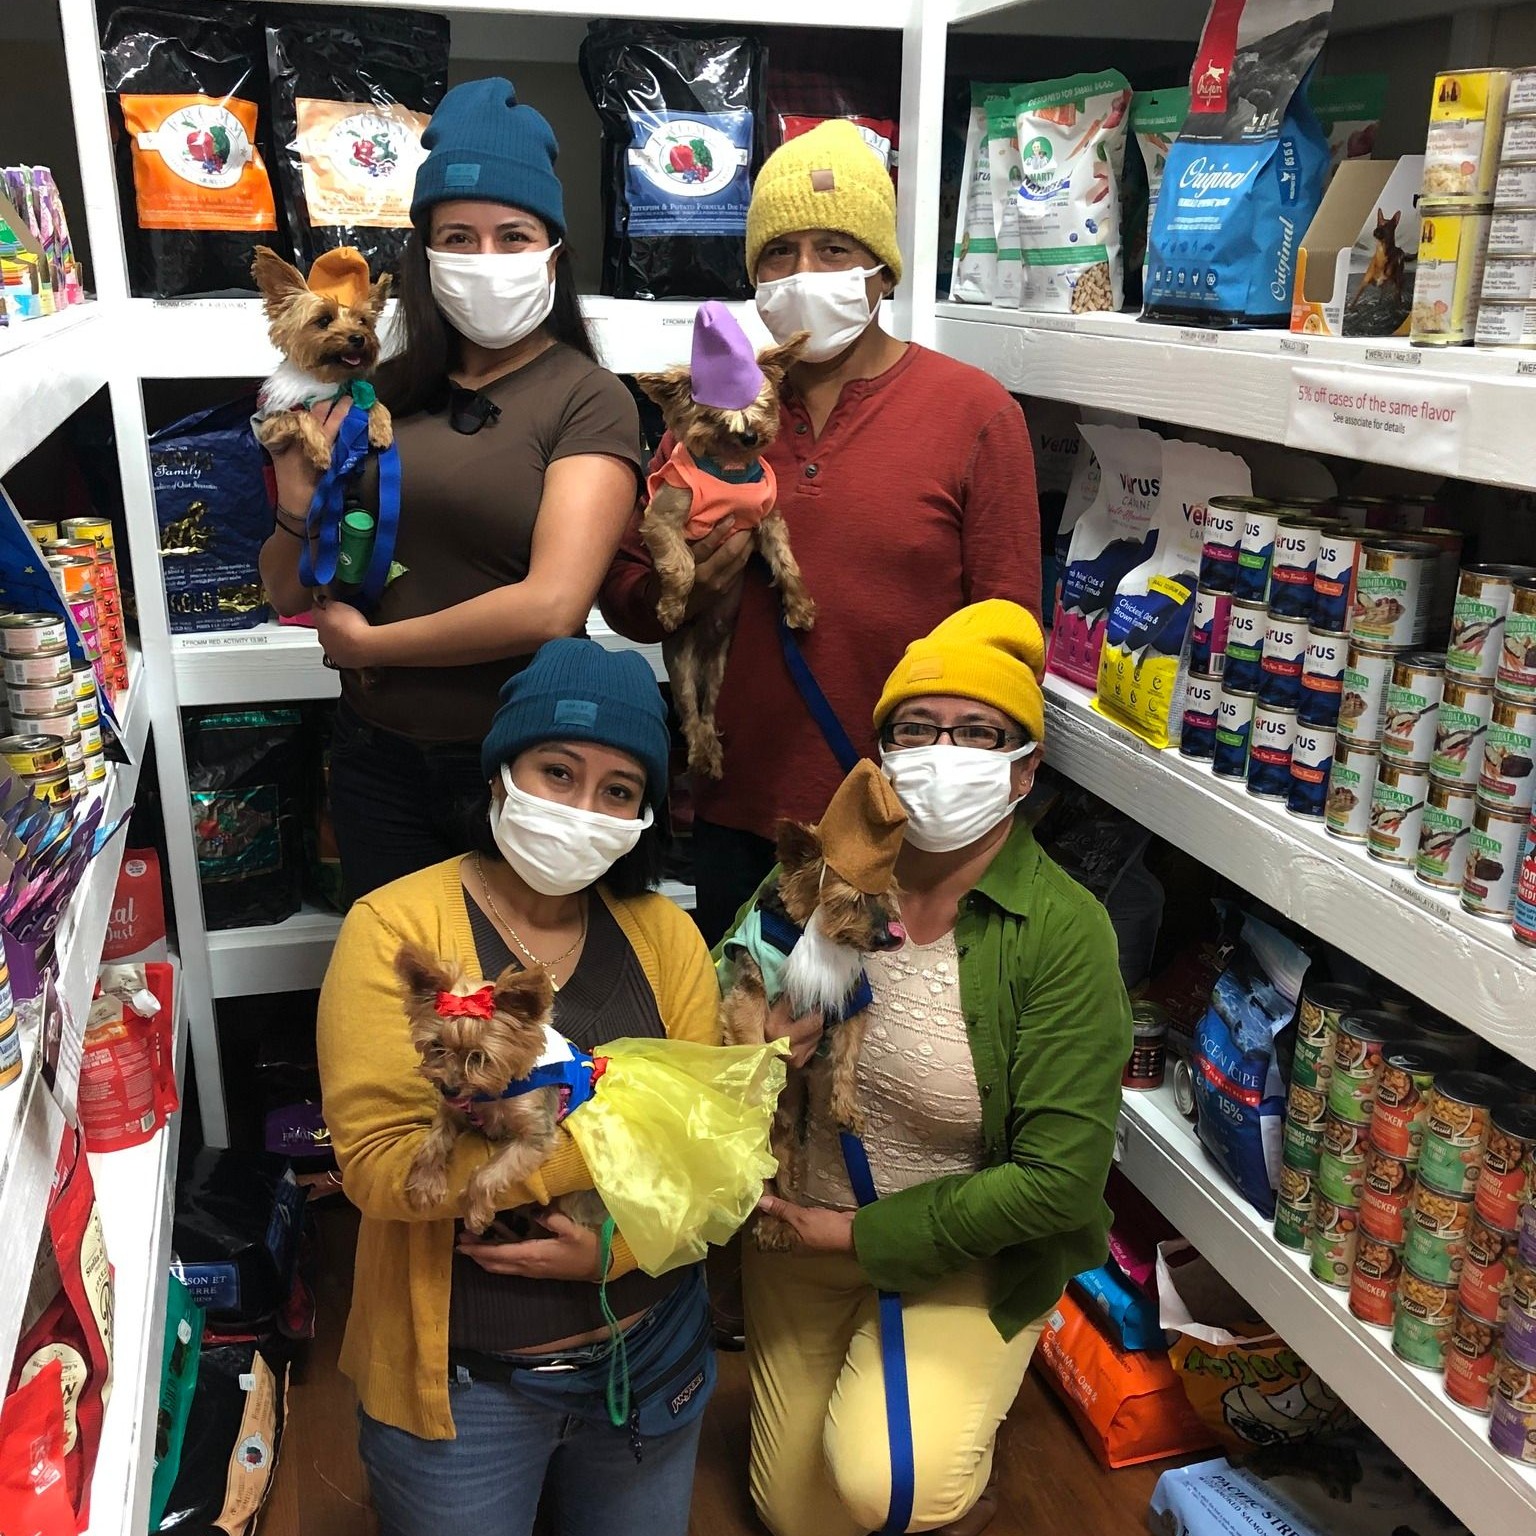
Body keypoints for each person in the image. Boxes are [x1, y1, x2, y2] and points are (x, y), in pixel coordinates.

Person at [600, 119, 1042, 946]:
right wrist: (690, 577)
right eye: (780, 253)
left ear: (881, 270)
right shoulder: (710, 415)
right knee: (750, 1057)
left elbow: (1010, 635)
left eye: (835, 248)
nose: (804, 275)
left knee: (883, 1065)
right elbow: (628, 599)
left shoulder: (975, 414)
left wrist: (971, 783)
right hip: (742, 815)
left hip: (905, 820)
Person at [742, 601, 1132, 1536]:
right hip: (802, 1226)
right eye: (917, 730)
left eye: (978, 734)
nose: (942, 752)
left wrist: (858, 1239)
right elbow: (732, 972)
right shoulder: (824, 871)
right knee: (795, 1516)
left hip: (965, 1252)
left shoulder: (1065, 930)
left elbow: (1059, 1184)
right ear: (882, 754)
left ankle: (964, 1433)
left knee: (890, 1491)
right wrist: (750, 1034)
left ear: (1026, 768)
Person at [316, 639, 720, 1536]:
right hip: (466, 1390)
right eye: (557, 771)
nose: (582, 809)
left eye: (618, 792)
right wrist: (612, 1141)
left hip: (649, 1359)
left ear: (644, 814)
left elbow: (718, 1159)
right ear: (502, 772)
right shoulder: (395, 930)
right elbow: (380, 1172)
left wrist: (609, 1250)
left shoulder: (666, 939)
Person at [260, 78, 643, 900]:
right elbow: (286, 585)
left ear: (553, 251)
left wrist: (372, 648)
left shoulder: (589, 398)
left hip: (516, 768)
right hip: (371, 756)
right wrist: (295, 504)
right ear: (424, 257)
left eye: (513, 236)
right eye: (457, 238)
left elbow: (551, 605)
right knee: (400, 995)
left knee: (506, 1008)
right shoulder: (377, 391)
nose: (486, 261)